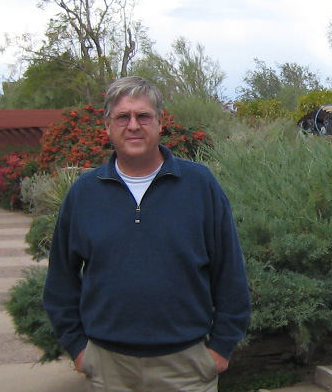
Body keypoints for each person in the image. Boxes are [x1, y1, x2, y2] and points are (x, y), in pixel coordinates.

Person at [43, 76, 251, 392]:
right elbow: (60, 279)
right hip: (109, 369)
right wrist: (78, 348)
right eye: (122, 117)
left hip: (187, 367)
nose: (133, 126)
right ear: (107, 127)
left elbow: (230, 271)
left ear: (159, 123)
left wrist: (221, 348)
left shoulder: (199, 185)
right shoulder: (84, 193)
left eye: (143, 116)